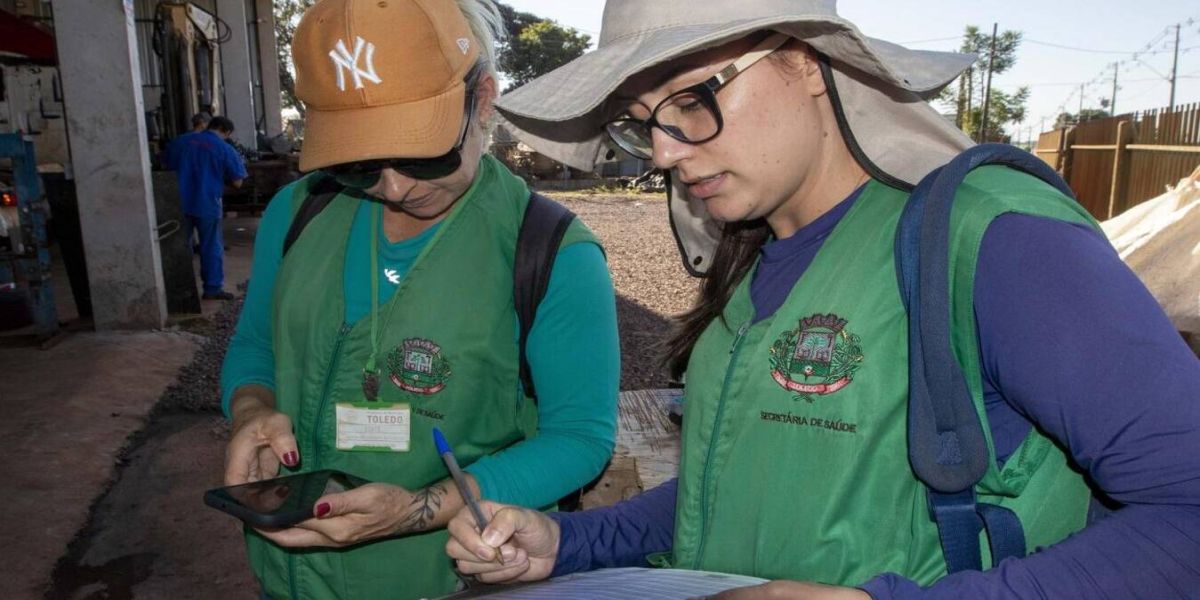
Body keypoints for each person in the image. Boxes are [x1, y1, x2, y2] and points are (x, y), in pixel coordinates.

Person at [445, 1, 1200, 598]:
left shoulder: (994, 240)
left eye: (692, 101)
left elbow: (1185, 516)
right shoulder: (751, 255)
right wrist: (570, 542)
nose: (667, 152)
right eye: (643, 126)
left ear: (806, 62)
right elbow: (732, 490)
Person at [218, 0, 619, 598]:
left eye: (420, 153)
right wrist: (253, 410)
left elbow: (580, 436)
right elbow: (256, 346)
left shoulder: (553, 252)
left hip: (451, 581)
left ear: (483, 99)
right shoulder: (297, 212)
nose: (396, 187)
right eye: (358, 162)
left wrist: (417, 509)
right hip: (285, 580)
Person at [164, 115, 247, 300]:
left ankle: (178, 292)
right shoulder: (224, 148)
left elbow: (165, 167)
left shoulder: (179, 142)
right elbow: (238, 182)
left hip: (176, 202)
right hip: (207, 203)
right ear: (226, 132)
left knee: (178, 246)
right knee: (210, 246)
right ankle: (212, 289)